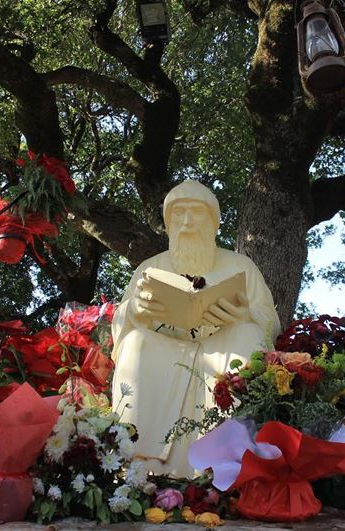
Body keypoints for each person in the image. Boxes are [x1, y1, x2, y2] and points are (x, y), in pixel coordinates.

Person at [110, 179, 280, 477]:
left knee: (249, 335)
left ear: (213, 223)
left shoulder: (241, 266)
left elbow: (269, 325)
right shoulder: (149, 269)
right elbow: (121, 327)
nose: (187, 222)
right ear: (168, 223)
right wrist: (135, 311)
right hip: (165, 348)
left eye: (196, 213)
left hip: (222, 347)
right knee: (136, 343)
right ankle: (140, 467)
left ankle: (229, 465)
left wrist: (243, 315)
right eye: (179, 214)